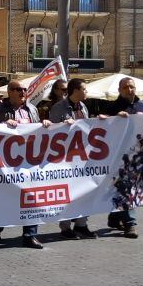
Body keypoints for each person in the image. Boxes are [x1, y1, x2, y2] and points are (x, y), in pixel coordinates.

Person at [0, 80, 52, 248]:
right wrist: (2, 125)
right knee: (6, 197)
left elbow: (37, 130)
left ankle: (30, 235)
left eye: (24, 89)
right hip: (7, 162)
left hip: (29, 161)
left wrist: (44, 125)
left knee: (31, 196)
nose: (23, 92)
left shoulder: (31, 109)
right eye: (19, 89)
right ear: (10, 92)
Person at [47, 79, 98, 239]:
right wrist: (63, 125)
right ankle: (65, 227)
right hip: (65, 158)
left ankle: (82, 225)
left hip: (82, 156)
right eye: (84, 89)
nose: (86, 92)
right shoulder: (58, 108)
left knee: (85, 191)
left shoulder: (83, 107)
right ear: (75, 90)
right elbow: (53, 132)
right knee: (68, 193)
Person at [101, 77, 143, 238]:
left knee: (125, 188)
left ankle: (114, 218)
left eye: (132, 87)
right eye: (126, 87)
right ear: (120, 90)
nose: (130, 89)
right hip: (118, 155)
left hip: (138, 155)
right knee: (127, 188)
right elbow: (102, 126)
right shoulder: (113, 107)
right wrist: (113, 118)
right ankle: (130, 224)